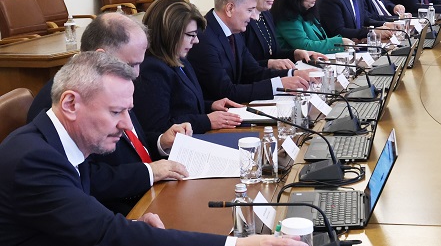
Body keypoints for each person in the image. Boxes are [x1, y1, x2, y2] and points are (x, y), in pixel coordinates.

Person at [0, 52, 306, 246]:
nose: (125, 125)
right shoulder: (34, 160)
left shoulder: (60, 142)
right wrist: (238, 245)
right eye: (115, 111)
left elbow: (81, 220)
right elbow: (104, 233)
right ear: (70, 104)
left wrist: (133, 224)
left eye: (127, 111)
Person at [25, 12, 191, 215]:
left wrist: (160, 143)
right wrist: (149, 172)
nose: (137, 73)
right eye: (131, 64)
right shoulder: (60, 102)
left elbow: (129, 143)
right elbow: (83, 177)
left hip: (150, 192)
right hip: (119, 209)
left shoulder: (113, 85)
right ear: (101, 56)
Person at [187, 0, 310, 104]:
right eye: (250, 10)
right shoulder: (204, 39)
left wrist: (292, 74)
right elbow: (226, 92)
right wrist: (278, 84)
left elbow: (254, 72)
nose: (253, 17)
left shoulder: (234, 31)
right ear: (230, 8)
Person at [133, 0, 245, 136]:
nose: (196, 41)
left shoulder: (180, 59)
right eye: (191, 35)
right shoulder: (152, 70)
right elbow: (159, 128)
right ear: (170, 34)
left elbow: (182, 106)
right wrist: (207, 120)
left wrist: (210, 105)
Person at [241, 0, 324, 69]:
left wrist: (295, 53)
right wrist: (269, 64)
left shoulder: (266, 14)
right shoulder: (241, 21)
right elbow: (242, 65)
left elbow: (275, 53)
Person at [272, 0, 351, 54]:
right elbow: (305, 46)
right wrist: (340, 43)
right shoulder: (287, 18)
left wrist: (344, 42)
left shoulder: (308, 11)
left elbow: (321, 39)